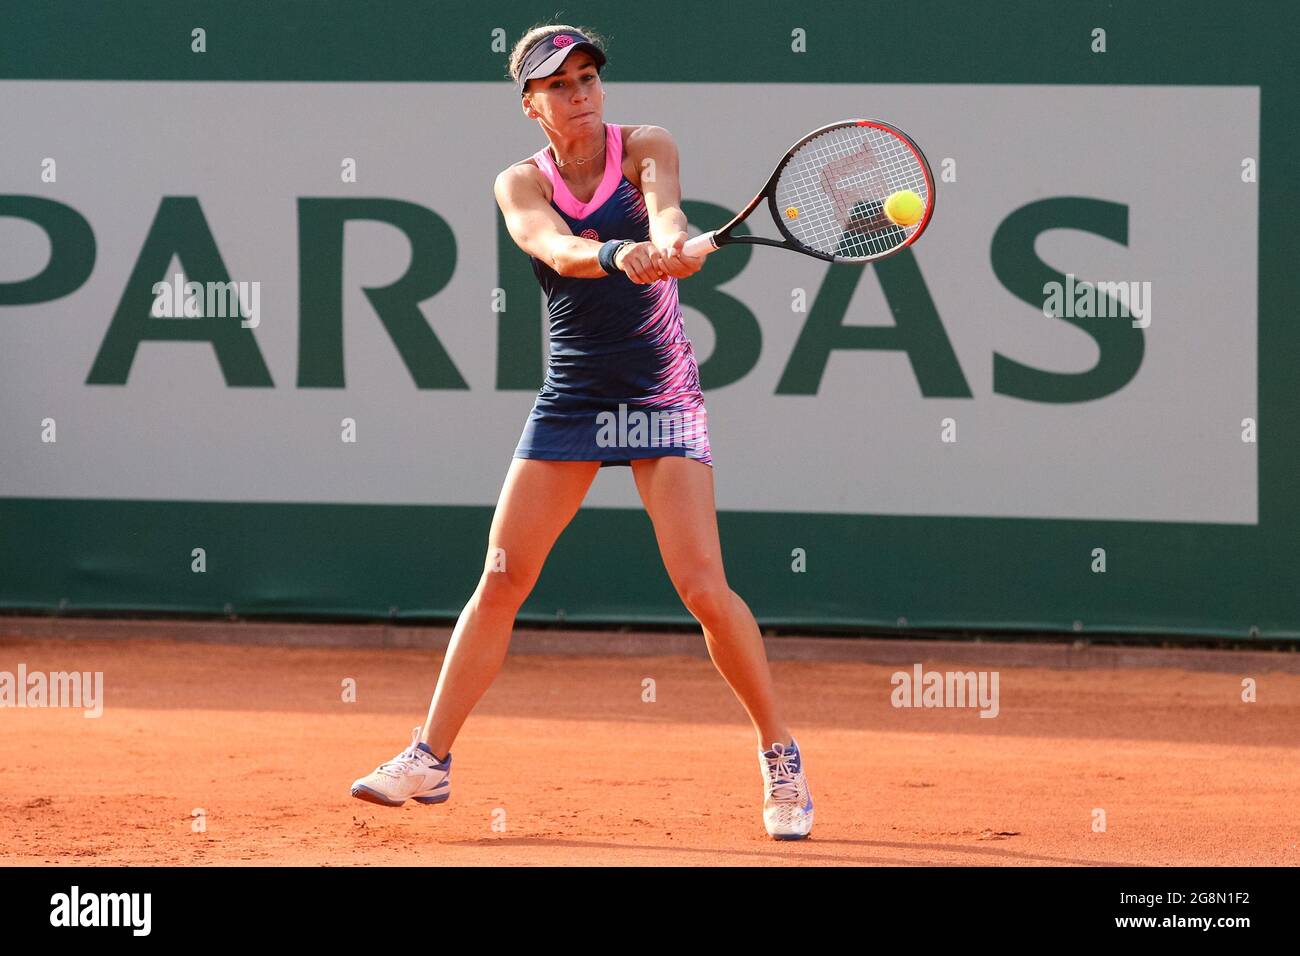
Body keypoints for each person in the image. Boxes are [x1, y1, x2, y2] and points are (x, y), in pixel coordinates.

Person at [350, 23, 813, 839]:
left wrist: (666, 242)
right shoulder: (518, 182)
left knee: (704, 588)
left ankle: (780, 758)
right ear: (532, 105)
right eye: (560, 85)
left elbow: (667, 209)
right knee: (501, 576)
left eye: (590, 78)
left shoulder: (648, 144)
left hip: (659, 388)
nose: (582, 95)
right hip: (574, 393)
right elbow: (551, 246)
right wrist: (613, 255)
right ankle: (430, 757)